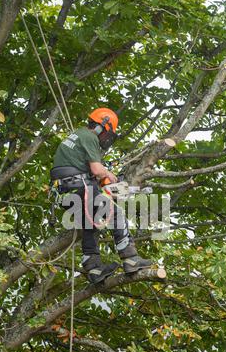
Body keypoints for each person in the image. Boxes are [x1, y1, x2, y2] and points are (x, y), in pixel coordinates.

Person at [51, 107, 152, 284]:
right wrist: (108, 175)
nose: (106, 138)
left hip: (67, 192)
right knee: (116, 214)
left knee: (90, 225)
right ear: (101, 126)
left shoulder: (77, 135)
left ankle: (93, 268)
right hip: (80, 188)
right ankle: (131, 259)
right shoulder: (89, 137)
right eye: (107, 133)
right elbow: (97, 170)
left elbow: (84, 170)